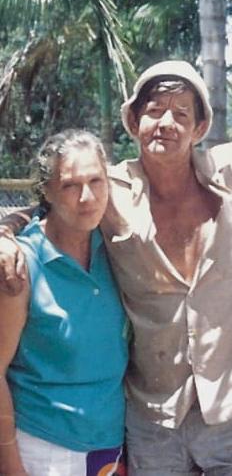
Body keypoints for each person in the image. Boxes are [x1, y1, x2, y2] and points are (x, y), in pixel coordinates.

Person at [0, 62, 232, 476]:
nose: (166, 122)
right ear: (134, 121)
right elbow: (54, 201)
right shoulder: (108, 191)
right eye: (154, 110)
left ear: (200, 128)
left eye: (181, 113)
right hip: (153, 419)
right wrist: (6, 230)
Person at [0, 130, 128, 476]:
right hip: (43, 449)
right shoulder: (20, 266)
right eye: (70, 185)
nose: (87, 197)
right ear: (47, 190)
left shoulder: (117, 248)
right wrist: (10, 463)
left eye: (96, 181)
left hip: (109, 446)